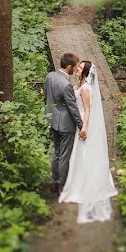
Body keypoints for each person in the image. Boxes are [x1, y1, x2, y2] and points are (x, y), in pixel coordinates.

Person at [59, 60, 118, 223]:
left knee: (85, 153)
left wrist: (84, 128)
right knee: (78, 154)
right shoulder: (79, 84)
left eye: (79, 68)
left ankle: (87, 185)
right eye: (77, 67)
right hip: (77, 121)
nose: (76, 69)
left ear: (85, 72)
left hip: (84, 123)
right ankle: (78, 182)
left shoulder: (85, 88)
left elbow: (88, 109)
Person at [43, 53, 84, 195]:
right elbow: (72, 108)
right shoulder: (66, 85)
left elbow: (46, 98)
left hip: (52, 120)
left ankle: (54, 183)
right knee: (64, 157)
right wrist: (81, 126)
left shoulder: (50, 76)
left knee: (57, 154)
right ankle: (63, 187)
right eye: (76, 67)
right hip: (66, 125)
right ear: (69, 67)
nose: (76, 69)